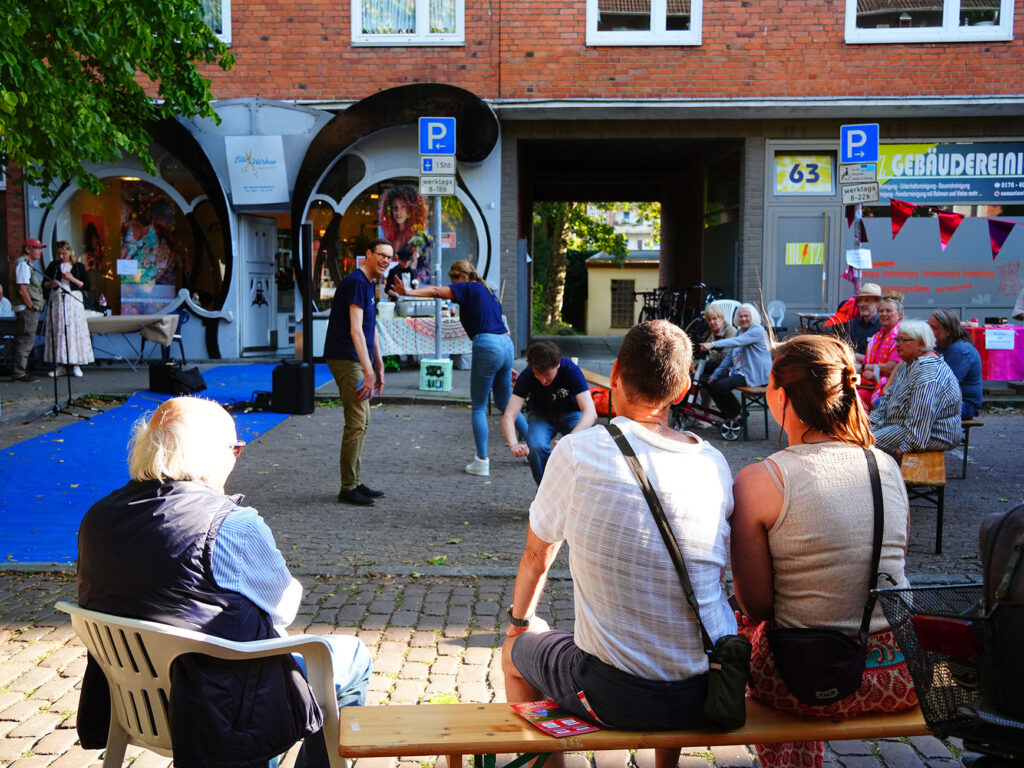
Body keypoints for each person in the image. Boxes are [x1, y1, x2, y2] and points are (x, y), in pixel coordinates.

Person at [76, 397, 372, 768]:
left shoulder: (97, 518)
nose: (236, 457)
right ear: (208, 453)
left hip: (139, 702)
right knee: (352, 655)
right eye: (235, 448)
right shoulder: (232, 525)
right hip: (223, 710)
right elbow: (282, 607)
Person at [502, 320, 735, 768]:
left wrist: (519, 621)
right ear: (683, 387)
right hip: (704, 687)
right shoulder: (714, 462)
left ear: (614, 374)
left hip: (614, 694)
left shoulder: (578, 452)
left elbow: (538, 554)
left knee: (516, 651)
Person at [730, 334, 916, 768]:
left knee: (739, 626)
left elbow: (756, 605)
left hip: (803, 683)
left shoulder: (761, 479)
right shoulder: (884, 463)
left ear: (783, 396)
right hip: (899, 672)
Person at [391, 260, 517, 478]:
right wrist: (508, 364)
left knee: (478, 406)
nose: (452, 284)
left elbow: (436, 291)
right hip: (506, 345)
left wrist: (408, 291)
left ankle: (482, 461)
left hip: (488, 345)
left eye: (454, 279)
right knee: (507, 404)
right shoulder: (488, 292)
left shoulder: (466, 286)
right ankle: (531, 448)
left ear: (462, 276)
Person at [324, 238, 392, 506]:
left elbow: (370, 328)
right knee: (356, 421)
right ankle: (348, 487)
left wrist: (380, 364)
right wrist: (368, 371)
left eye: (390, 256)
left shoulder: (368, 284)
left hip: (355, 358)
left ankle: (354, 481)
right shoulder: (355, 282)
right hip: (345, 358)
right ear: (368, 254)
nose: (386, 260)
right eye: (381, 255)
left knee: (362, 420)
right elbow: (355, 330)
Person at [501, 341, 597, 484]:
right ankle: (545, 489)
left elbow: (590, 413)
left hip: (570, 413)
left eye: (547, 375)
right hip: (541, 415)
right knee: (536, 446)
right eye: (537, 374)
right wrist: (513, 444)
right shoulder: (527, 376)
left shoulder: (571, 370)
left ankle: (578, 488)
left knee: (583, 444)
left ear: (557, 365)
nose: (542, 380)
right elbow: (509, 416)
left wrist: (569, 439)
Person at [870, 319, 962, 461]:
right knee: (859, 436)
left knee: (863, 444)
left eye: (903, 340)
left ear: (921, 344)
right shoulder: (908, 362)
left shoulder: (927, 372)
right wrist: (871, 423)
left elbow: (922, 419)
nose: (897, 345)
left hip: (934, 434)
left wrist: (907, 447)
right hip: (903, 426)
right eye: (897, 340)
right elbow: (888, 398)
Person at [700, 302, 772, 424]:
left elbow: (737, 341)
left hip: (753, 375)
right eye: (740, 316)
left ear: (752, 317)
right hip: (740, 372)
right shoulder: (741, 331)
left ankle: (737, 414)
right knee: (708, 381)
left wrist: (713, 344)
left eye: (746, 316)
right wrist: (715, 375)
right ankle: (732, 414)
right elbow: (729, 357)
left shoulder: (757, 330)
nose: (743, 319)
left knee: (720, 386)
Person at [43, 241, 95, 378]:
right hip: (58, 301)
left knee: (74, 331)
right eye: (58, 254)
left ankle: (76, 364)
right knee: (60, 331)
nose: (61, 256)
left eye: (63, 254)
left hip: (74, 301)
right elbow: (44, 284)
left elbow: (86, 286)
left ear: (70, 253)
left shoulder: (78, 266)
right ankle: (60, 365)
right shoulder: (53, 266)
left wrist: (71, 278)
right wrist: (52, 283)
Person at [929, 309, 983, 420]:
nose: (929, 331)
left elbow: (944, 387)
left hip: (966, 405)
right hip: (944, 400)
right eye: (928, 326)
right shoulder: (938, 345)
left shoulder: (961, 351)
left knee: (916, 409)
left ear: (948, 332)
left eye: (934, 328)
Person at [856, 292, 904, 409]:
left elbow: (890, 368)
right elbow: (866, 364)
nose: (883, 314)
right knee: (852, 398)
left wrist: (864, 368)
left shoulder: (902, 336)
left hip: (893, 389)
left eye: (888, 311)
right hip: (872, 385)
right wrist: (867, 372)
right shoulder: (876, 337)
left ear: (900, 315)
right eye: (881, 311)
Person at [378, 186, 433, 286]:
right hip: (393, 285)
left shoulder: (418, 236)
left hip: (414, 287)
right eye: (395, 207)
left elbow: (426, 269)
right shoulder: (389, 235)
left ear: (410, 209)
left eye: (403, 206)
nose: (398, 212)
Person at [10, 238, 46, 382]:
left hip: (26, 307)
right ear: (28, 250)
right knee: (25, 340)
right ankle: (19, 373)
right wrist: (30, 305)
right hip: (26, 308)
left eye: (41, 248)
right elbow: (22, 289)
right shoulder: (23, 264)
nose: (40, 251)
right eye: (37, 248)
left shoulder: (26, 264)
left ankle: (21, 371)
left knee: (26, 339)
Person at [699, 301, 737, 380]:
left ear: (722, 318)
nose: (712, 322)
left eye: (715, 319)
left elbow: (726, 357)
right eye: (709, 320)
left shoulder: (731, 331)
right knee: (696, 372)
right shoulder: (710, 331)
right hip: (714, 364)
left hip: (728, 368)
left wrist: (709, 354)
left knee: (701, 376)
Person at [845, 282, 883, 356]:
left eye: (867, 300)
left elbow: (881, 358)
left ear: (878, 304)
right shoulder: (851, 324)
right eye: (860, 301)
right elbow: (846, 351)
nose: (862, 304)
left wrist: (858, 357)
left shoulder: (883, 326)